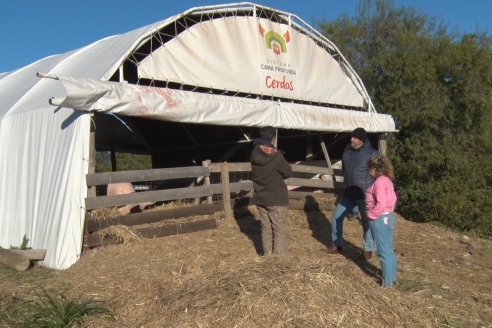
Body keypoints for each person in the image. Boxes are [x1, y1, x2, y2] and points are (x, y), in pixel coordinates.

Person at [322, 127, 379, 258]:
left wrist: (374, 192)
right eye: (351, 136)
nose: (351, 139)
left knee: (366, 221)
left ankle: (368, 249)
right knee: (336, 217)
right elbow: (344, 170)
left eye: (355, 137)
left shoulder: (372, 153)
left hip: (364, 194)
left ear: (362, 140)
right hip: (349, 192)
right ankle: (337, 245)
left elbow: (378, 173)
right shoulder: (347, 151)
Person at [251, 126, 293, 256]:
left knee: (266, 227)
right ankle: (279, 259)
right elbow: (287, 172)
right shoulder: (276, 155)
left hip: (261, 196)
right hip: (275, 197)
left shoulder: (254, 152)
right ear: (273, 139)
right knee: (279, 228)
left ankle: (267, 255)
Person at [366, 155, 398, 287]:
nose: (368, 171)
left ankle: (387, 283)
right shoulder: (388, 181)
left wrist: (371, 214)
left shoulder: (379, 182)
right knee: (388, 249)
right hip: (389, 217)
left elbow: (381, 202)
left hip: (380, 218)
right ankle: (392, 277)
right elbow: (393, 199)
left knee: (383, 251)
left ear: (374, 169)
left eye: (369, 169)